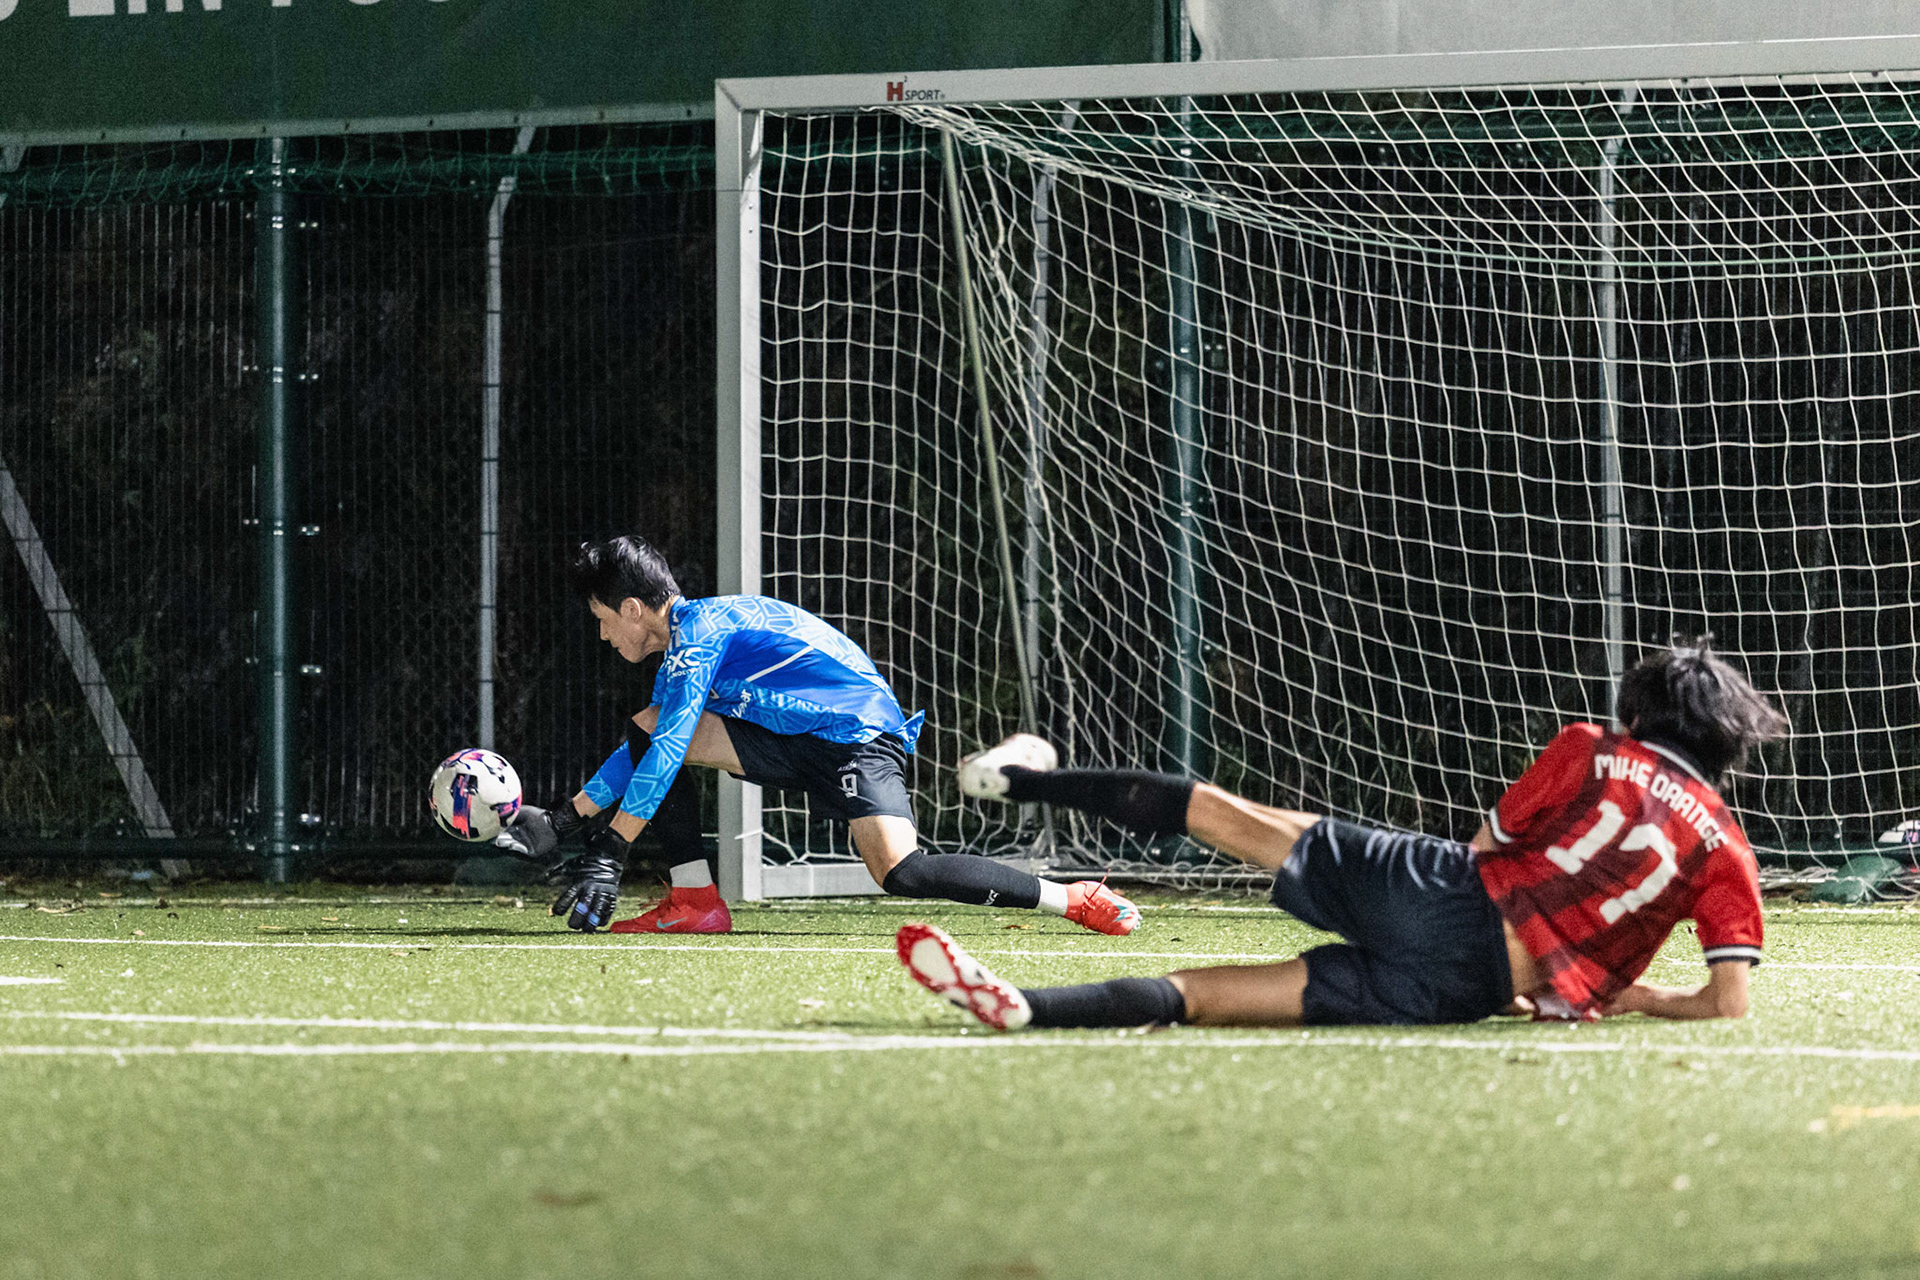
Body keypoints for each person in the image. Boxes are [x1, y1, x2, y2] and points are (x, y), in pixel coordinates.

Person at [898, 640, 1788, 1030]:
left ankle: (1018, 776)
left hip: (1447, 896)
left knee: (1222, 814)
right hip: (1475, 990)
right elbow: (1724, 1004)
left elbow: (1487, 850)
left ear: (1644, 714)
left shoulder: (1596, 751)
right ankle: (1026, 1010)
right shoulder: (1728, 851)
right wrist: (1608, 997)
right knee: (1209, 998)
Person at [494, 533, 1142, 935]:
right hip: (790, 739)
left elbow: (666, 753)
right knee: (652, 725)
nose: (605, 635)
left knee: (903, 873)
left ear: (633, 609)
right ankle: (694, 901)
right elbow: (654, 742)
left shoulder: (703, 632)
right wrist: (567, 817)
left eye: (604, 620)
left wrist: (610, 850)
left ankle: (1073, 897)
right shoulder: (683, 652)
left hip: (856, 737)